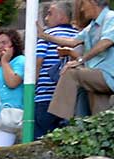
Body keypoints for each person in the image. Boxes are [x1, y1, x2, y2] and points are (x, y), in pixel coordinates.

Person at [46, 0, 114, 121]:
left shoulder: (111, 17)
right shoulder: (92, 26)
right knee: (100, 119)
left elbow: (106, 42)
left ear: (92, 2)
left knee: (71, 73)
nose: (82, 9)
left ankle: (60, 116)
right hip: (94, 77)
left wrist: (80, 60)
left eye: (83, 4)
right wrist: (44, 36)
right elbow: (73, 42)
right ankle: (82, 126)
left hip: (107, 76)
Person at [34, 2, 80, 138]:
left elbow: (38, 62)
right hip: (69, 100)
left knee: (40, 140)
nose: (46, 18)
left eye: (50, 13)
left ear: (61, 16)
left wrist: (32, 88)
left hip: (45, 97)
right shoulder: (78, 36)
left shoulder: (47, 35)